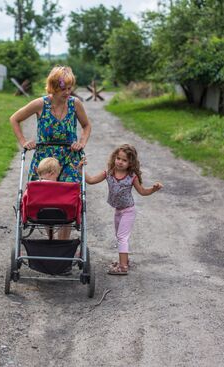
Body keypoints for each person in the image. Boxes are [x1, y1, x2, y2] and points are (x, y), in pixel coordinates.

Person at [10, 66, 92, 239]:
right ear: (53, 87)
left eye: (70, 88)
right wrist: (24, 142)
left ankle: (63, 244)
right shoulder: (41, 104)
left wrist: (81, 143)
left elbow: (86, 126)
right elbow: (14, 119)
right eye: (64, 89)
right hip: (45, 159)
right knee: (46, 199)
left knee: (68, 200)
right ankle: (50, 241)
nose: (68, 92)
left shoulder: (75, 104)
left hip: (69, 158)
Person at [81, 144, 163, 275]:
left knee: (122, 237)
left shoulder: (132, 176)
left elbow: (142, 192)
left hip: (128, 211)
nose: (120, 162)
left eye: (124, 160)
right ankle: (124, 260)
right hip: (118, 211)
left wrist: (153, 189)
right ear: (114, 157)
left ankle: (123, 266)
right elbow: (90, 180)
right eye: (118, 158)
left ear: (130, 162)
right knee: (119, 237)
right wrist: (81, 169)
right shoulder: (108, 173)